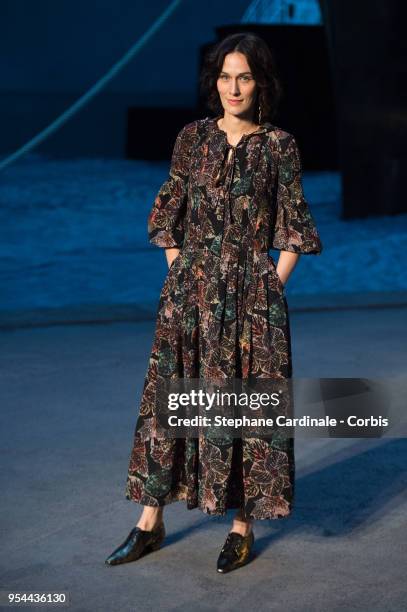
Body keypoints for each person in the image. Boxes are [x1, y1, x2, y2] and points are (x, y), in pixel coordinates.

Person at [105, 32, 323, 573]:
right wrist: (180, 269)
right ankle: (149, 524)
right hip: (190, 294)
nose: (233, 87)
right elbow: (167, 213)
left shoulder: (279, 146)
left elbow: (293, 227)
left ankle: (240, 527)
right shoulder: (193, 139)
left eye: (244, 76)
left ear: (261, 82)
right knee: (174, 405)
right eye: (225, 76)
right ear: (214, 81)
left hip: (253, 299)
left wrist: (271, 284)